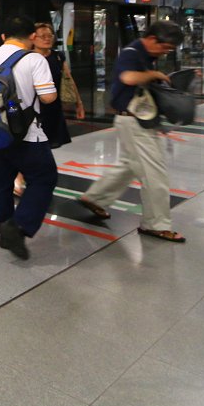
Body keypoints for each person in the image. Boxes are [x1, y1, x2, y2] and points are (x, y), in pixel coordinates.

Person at [77, 20, 187, 242]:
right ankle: (155, 224)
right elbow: (128, 77)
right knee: (154, 174)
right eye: (165, 48)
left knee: (128, 165)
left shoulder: (146, 55)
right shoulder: (132, 52)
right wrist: (155, 75)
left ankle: (95, 198)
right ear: (153, 39)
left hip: (136, 120)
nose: (165, 53)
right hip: (134, 122)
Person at [0, 14, 59, 260]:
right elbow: (49, 97)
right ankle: (18, 227)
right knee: (44, 177)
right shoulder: (34, 59)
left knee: (1, 183)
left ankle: (4, 231)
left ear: (2, 37)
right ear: (32, 36)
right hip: (27, 134)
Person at [14, 22, 85, 196]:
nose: (47, 39)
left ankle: (32, 175)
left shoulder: (58, 56)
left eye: (49, 36)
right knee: (31, 143)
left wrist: (79, 102)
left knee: (47, 142)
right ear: (33, 38)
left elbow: (68, 79)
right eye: (42, 36)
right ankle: (19, 177)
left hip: (53, 107)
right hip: (33, 108)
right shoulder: (27, 58)